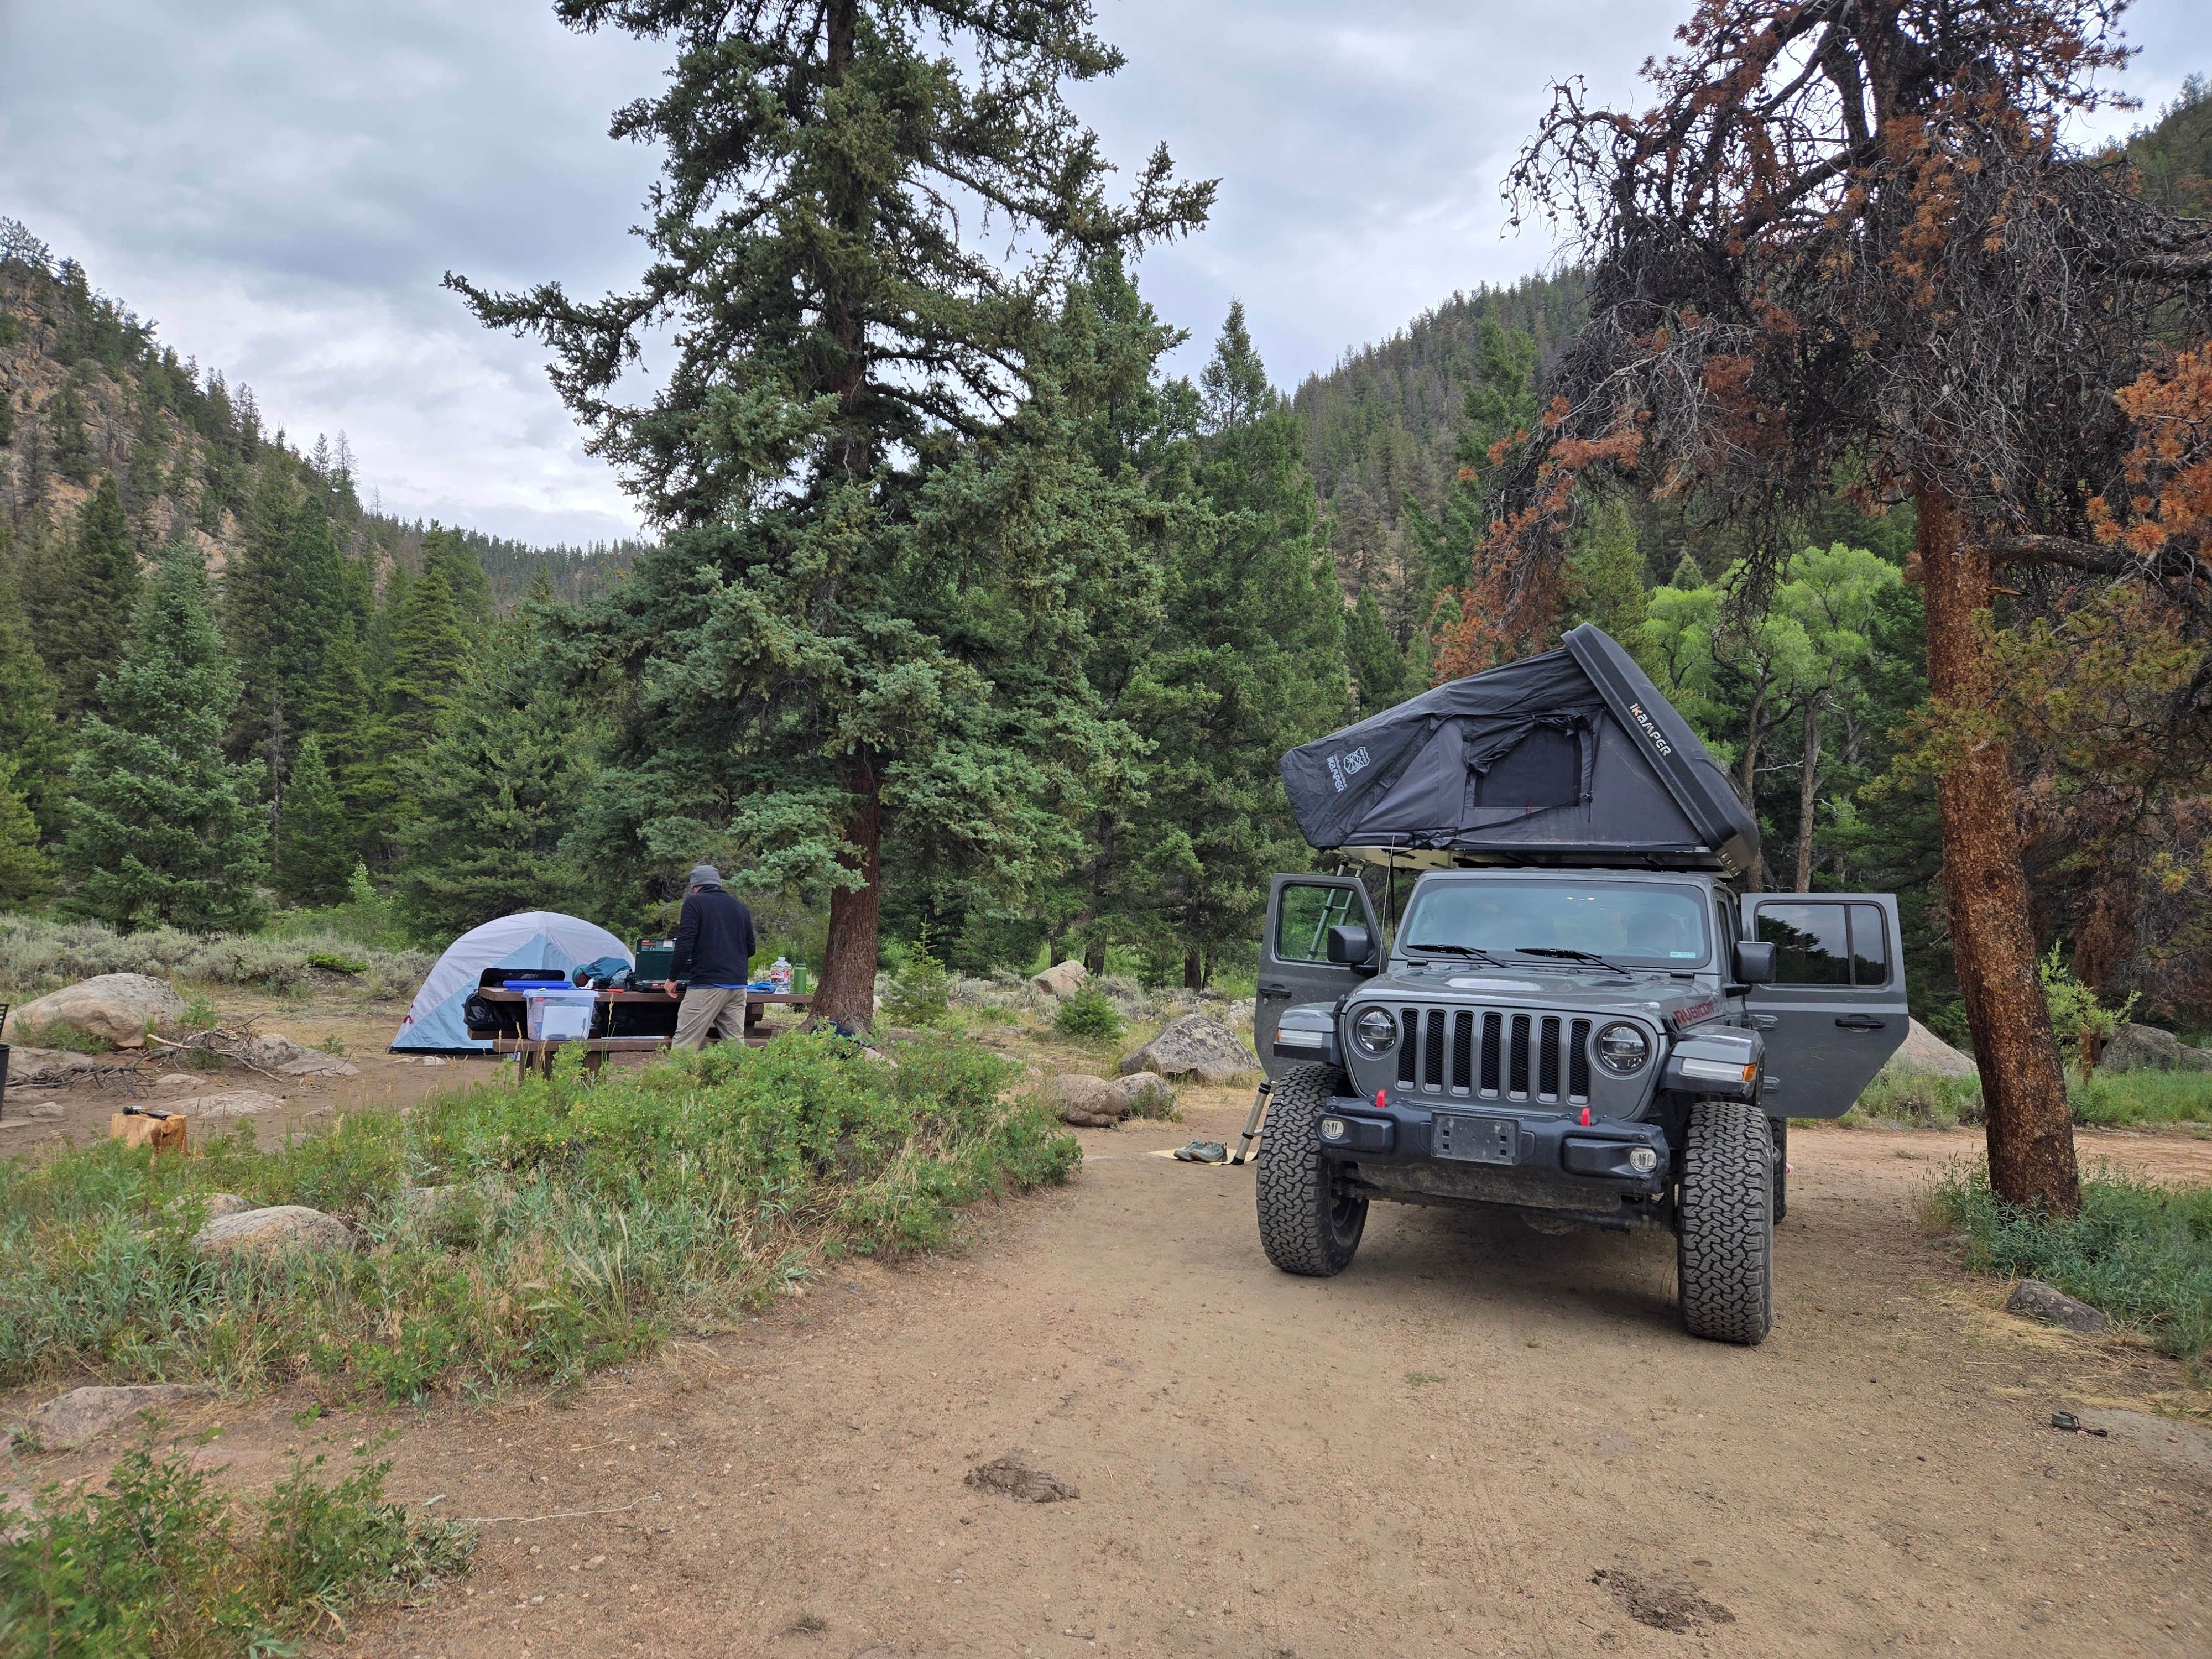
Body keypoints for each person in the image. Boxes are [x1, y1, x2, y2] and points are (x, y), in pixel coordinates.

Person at [664, 864, 758, 1048]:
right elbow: (751, 948)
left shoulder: (695, 903)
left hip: (707, 984)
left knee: (685, 1043)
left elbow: (685, 944)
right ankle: (741, 1077)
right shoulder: (740, 908)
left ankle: (677, 1078)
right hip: (737, 986)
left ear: (696, 887)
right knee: (734, 1044)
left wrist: (672, 978)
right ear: (718, 884)